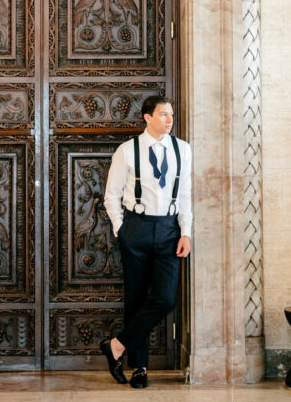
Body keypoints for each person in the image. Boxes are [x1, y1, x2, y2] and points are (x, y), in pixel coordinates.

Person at [100, 94, 192, 389]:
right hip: (136, 227)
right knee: (135, 298)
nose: (170, 120)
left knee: (165, 298)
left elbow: (186, 194)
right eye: (164, 114)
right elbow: (111, 194)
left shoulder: (184, 150)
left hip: (169, 229)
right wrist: (120, 228)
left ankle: (115, 345)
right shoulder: (127, 151)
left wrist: (185, 231)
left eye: (172, 115)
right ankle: (139, 366)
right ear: (147, 117)